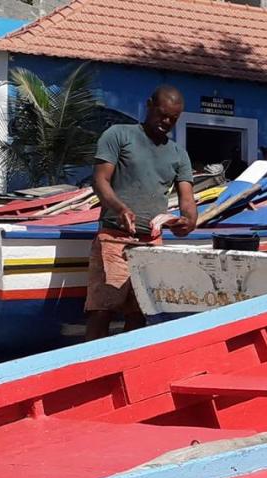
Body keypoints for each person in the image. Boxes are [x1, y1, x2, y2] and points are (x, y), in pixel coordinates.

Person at [86, 85, 196, 341]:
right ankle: (92, 369)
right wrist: (120, 208)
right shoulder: (118, 135)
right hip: (113, 239)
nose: (166, 122)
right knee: (102, 310)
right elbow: (100, 181)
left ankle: (126, 365)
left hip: (151, 243)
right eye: (162, 115)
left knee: (140, 312)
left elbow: (187, 199)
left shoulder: (178, 153)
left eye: (173, 119)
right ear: (149, 106)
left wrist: (188, 221)